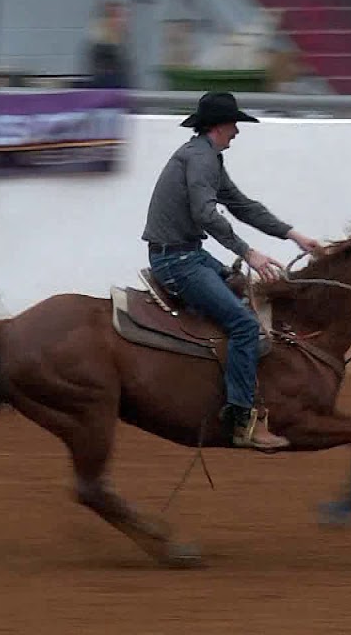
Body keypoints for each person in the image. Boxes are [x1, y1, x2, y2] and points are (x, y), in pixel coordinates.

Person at [141, 91, 321, 451]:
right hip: (179, 261)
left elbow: (243, 206)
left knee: (244, 295)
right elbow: (206, 214)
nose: (237, 131)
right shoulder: (202, 161)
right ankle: (241, 420)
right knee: (243, 325)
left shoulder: (204, 157)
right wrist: (249, 253)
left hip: (187, 254)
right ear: (221, 126)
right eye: (235, 124)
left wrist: (292, 234)